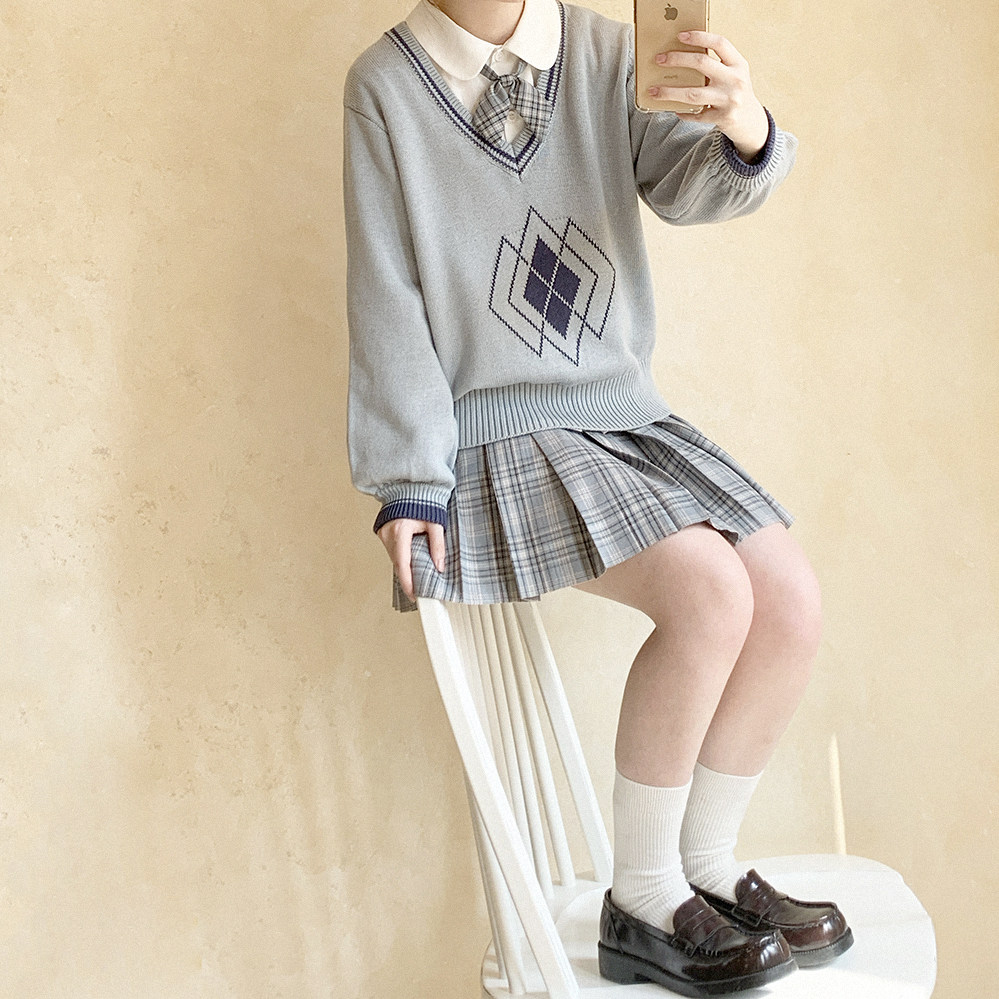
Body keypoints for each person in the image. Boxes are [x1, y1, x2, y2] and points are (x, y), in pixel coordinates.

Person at [342, 0, 853, 993]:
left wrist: (742, 125)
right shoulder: (385, 86)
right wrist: (406, 481)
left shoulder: (610, 52)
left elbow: (689, 187)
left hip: (623, 415)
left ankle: (703, 866)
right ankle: (644, 895)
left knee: (788, 600)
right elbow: (386, 291)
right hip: (500, 431)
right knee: (709, 593)